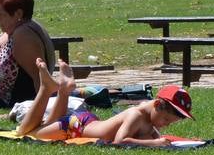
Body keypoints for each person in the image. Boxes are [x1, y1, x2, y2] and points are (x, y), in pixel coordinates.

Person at [18, 59, 192, 146]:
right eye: (166, 120)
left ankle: (63, 90)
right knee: (27, 132)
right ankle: (45, 88)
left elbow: (155, 137)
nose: (166, 124)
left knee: (44, 125)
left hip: (87, 122)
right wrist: (153, 143)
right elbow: (119, 142)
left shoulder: (150, 118)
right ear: (157, 105)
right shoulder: (136, 115)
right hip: (75, 127)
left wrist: (156, 140)